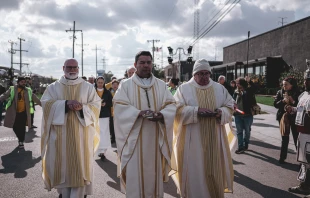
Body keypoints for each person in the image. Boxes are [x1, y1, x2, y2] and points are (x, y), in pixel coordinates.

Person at [113, 51, 176, 198]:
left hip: (155, 140)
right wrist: (137, 113)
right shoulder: (126, 85)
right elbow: (119, 106)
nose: (146, 65)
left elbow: (171, 104)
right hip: (134, 140)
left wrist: (162, 115)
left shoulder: (161, 85)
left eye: (148, 62)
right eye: (142, 62)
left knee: (153, 178)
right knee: (136, 178)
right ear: (135, 65)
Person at [172, 59, 234, 198]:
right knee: (194, 172)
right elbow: (176, 109)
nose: (205, 77)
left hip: (215, 139)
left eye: (207, 73)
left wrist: (221, 112)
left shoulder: (219, 88)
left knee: (215, 170)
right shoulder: (184, 89)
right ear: (194, 74)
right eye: (201, 73)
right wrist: (196, 111)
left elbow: (230, 106)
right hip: (191, 141)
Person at [40, 59, 101, 198]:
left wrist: (82, 108)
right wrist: (65, 104)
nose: (72, 70)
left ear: (78, 69)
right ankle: (64, 194)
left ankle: (79, 195)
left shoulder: (88, 87)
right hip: (60, 136)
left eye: (75, 67)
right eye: (69, 67)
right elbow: (46, 104)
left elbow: (96, 105)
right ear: (63, 68)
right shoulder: (53, 87)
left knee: (80, 169)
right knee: (63, 169)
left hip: (82, 136)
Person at [287, 67, 310, 196]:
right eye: (305, 80)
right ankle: (304, 185)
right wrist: (293, 109)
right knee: (304, 161)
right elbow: (300, 109)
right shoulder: (303, 95)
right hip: (302, 133)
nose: (305, 83)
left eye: (308, 80)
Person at [0, 76, 41, 149]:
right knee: (15, 127)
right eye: (22, 82)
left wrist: (42, 105)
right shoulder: (12, 89)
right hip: (14, 112)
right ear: (18, 82)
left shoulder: (28, 90)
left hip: (23, 112)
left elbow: (35, 98)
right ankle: (20, 138)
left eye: (24, 82)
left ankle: (21, 141)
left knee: (22, 128)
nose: (24, 83)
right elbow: (5, 95)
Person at [274, 77, 300, 164]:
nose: (283, 86)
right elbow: (275, 104)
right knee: (284, 138)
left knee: (296, 138)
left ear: (291, 85)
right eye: (283, 84)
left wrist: (292, 100)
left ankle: (300, 159)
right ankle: (282, 157)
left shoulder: (298, 92)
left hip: (294, 118)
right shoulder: (280, 92)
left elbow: (299, 105)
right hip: (283, 118)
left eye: (286, 84)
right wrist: (283, 101)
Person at [233, 77, 256, 154]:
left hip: (247, 115)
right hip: (238, 115)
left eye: (238, 83)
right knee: (239, 132)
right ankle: (240, 147)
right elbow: (233, 101)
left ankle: (246, 144)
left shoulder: (248, 91)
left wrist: (250, 82)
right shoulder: (235, 92)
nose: (236, 85)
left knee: (247, 131)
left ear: (242, 84)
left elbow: (254, 88)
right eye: (236, 83)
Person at [95, 76, 112, 160]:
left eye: (102, 82)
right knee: (97, 132)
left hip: (105, 115)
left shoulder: (107, 92)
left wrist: (105, 104)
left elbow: (111, 102)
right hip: (95, 114)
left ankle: (103, 151)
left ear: (104, 83)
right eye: (99, 82)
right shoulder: (92, 91)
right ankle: (98, 150)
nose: (100, 84)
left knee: (104, 132)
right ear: (96, 82)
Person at [109, 79, 119, 144]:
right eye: (113, 84)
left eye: (116, 84)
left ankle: (118, 138)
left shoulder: (120, 92)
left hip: (119, 112)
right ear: (111, 85)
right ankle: (113, 138)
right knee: (112, 126)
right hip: (111, 112)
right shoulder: (109, 92)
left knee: (118, 126)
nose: (115, 86)